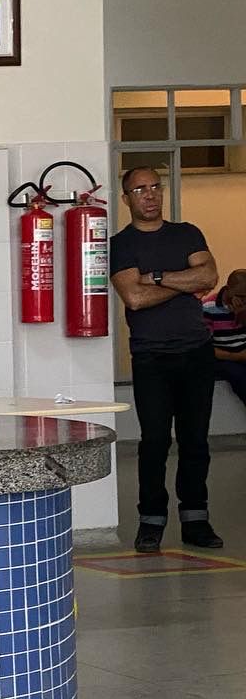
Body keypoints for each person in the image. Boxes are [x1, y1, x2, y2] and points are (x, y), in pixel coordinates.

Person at [109, 167, 222, 552]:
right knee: (155, 441)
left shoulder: (187, 233)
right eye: (140, 189)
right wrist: (183, 281)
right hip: (151, 356)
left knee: (195, 440)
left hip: (196, 352)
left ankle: (196, 519)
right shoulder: (122, 245)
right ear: (127, 199)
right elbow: (134, 298)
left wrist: (154, 277)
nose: (150, 195)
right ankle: (151, 521)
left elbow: (209, 277)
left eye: (155, 186)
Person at [206, 268, 246, 405]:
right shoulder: (208, 307)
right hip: (223, 357)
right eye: (242, 296)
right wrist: (237, 356)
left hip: (242, 350)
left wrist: (242, 315)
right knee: (238, 375)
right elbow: (206, 348)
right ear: (229, 290)